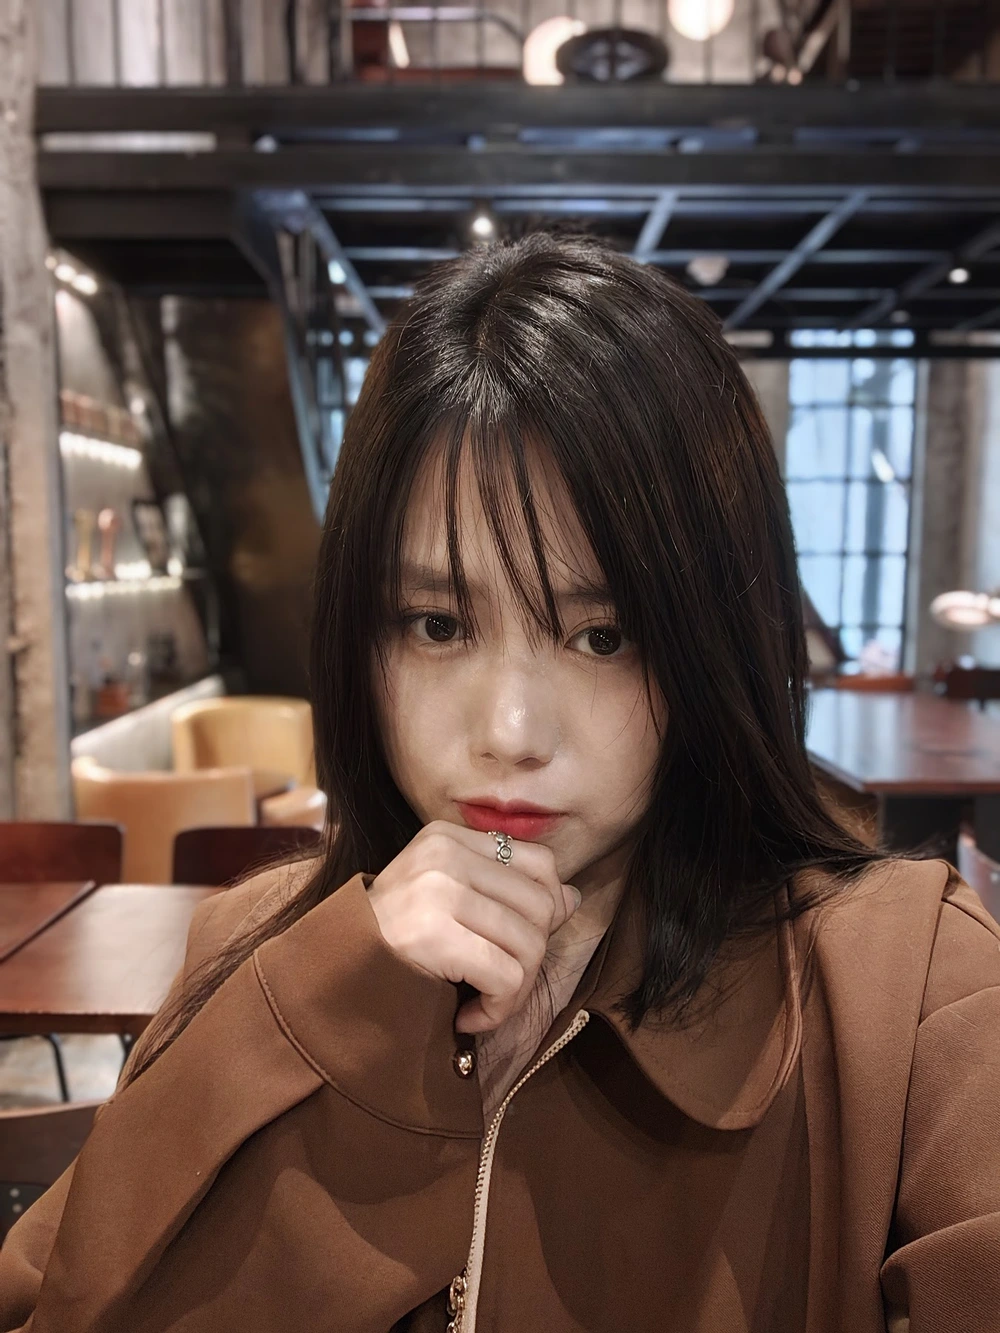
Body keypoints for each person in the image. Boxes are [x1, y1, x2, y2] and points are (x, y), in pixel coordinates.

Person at [2, 234, 998, 1332]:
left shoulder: (907, 992)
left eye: (603, 635)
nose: (510, 735)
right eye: (436, 624)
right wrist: (321, 1021)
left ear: (717, 636)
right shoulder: (255, 953)